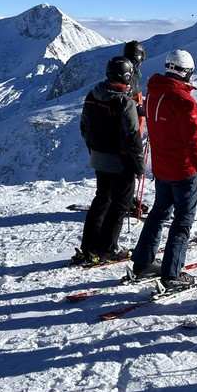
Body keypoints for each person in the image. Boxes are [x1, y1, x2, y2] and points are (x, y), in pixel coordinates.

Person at [130, 49, 197, 290]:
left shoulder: (153, 93)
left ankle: (143, 262)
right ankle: (172, 274)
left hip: (162, 168)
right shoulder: (184, 101)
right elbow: (193, 141)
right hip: (183, 170)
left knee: (158, 214)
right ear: (186, 73)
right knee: (182, 221)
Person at [73, 56, 145, 265]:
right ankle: (107, 248)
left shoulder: (92, 96)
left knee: (101, 199)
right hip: (121, 162)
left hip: (99, 158)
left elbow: (84, 128)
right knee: (121, 204)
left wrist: (94, 151)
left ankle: (89, 245)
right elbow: (133, 138)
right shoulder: (124, 102)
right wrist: (139, 166)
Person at [123, 40, 146, 137]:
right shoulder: (130, 76)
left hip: (131, 131)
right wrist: (143, 109)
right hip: (131, 133)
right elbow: (125, 101)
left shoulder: (128, 73)